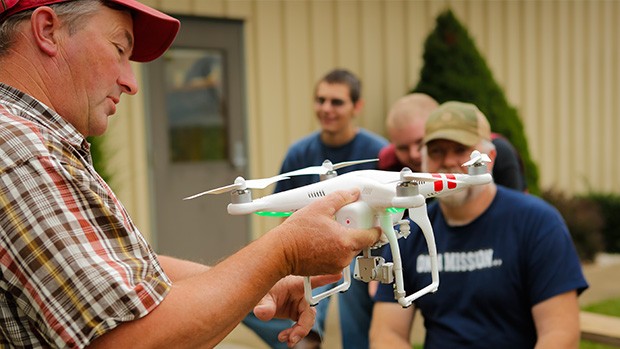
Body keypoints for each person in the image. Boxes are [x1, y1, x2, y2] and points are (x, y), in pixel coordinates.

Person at [0, 1, 382, 348]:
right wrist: (283, 253)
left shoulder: (35, 144)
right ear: (47, 30)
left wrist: (263, 280)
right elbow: (126, 339)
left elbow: (114, 273)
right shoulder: (23, 152)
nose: (131, 82)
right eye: (119, 49)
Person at [370, 101, 588, 348]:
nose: (448, 161)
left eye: (461, 149)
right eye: (437, 151)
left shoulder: (538, 223)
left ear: (491, 158)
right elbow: (386, 333)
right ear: (423, 161)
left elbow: (561, 334)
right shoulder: (411, 231)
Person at [243, 68, 388, 349]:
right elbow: (283, 213)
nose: (326, 109)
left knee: (352, 294)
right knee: (247, 291)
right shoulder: (300, 153)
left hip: (364, 251)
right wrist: (280, 259)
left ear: (357, 107)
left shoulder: (378, 152)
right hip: (309, 251)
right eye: (320, 100)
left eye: (336, 102)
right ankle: (307, 338)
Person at [379, 93, 527, 192]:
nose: (414, 154)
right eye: (402, 148)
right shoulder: (388, 163)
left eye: (421, 143)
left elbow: (516, 206)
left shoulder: (495, 152)